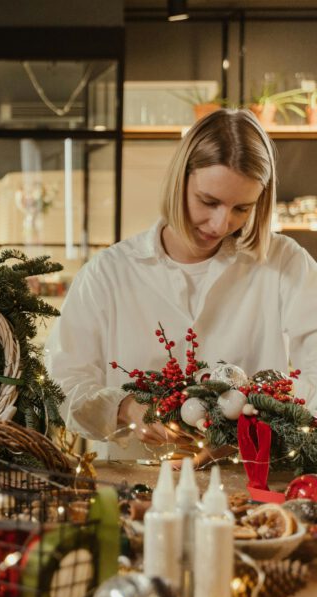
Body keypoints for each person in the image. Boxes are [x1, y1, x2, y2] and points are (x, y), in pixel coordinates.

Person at [46, 108, 317, 464]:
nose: (221, 224)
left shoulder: (285, 262)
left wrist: (256, 418)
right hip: (136, 488)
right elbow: (61, 384)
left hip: (253, 491)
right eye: (209, 201)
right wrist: (125, 408)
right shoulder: (108, 274)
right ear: (180, 180)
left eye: (242, 209)